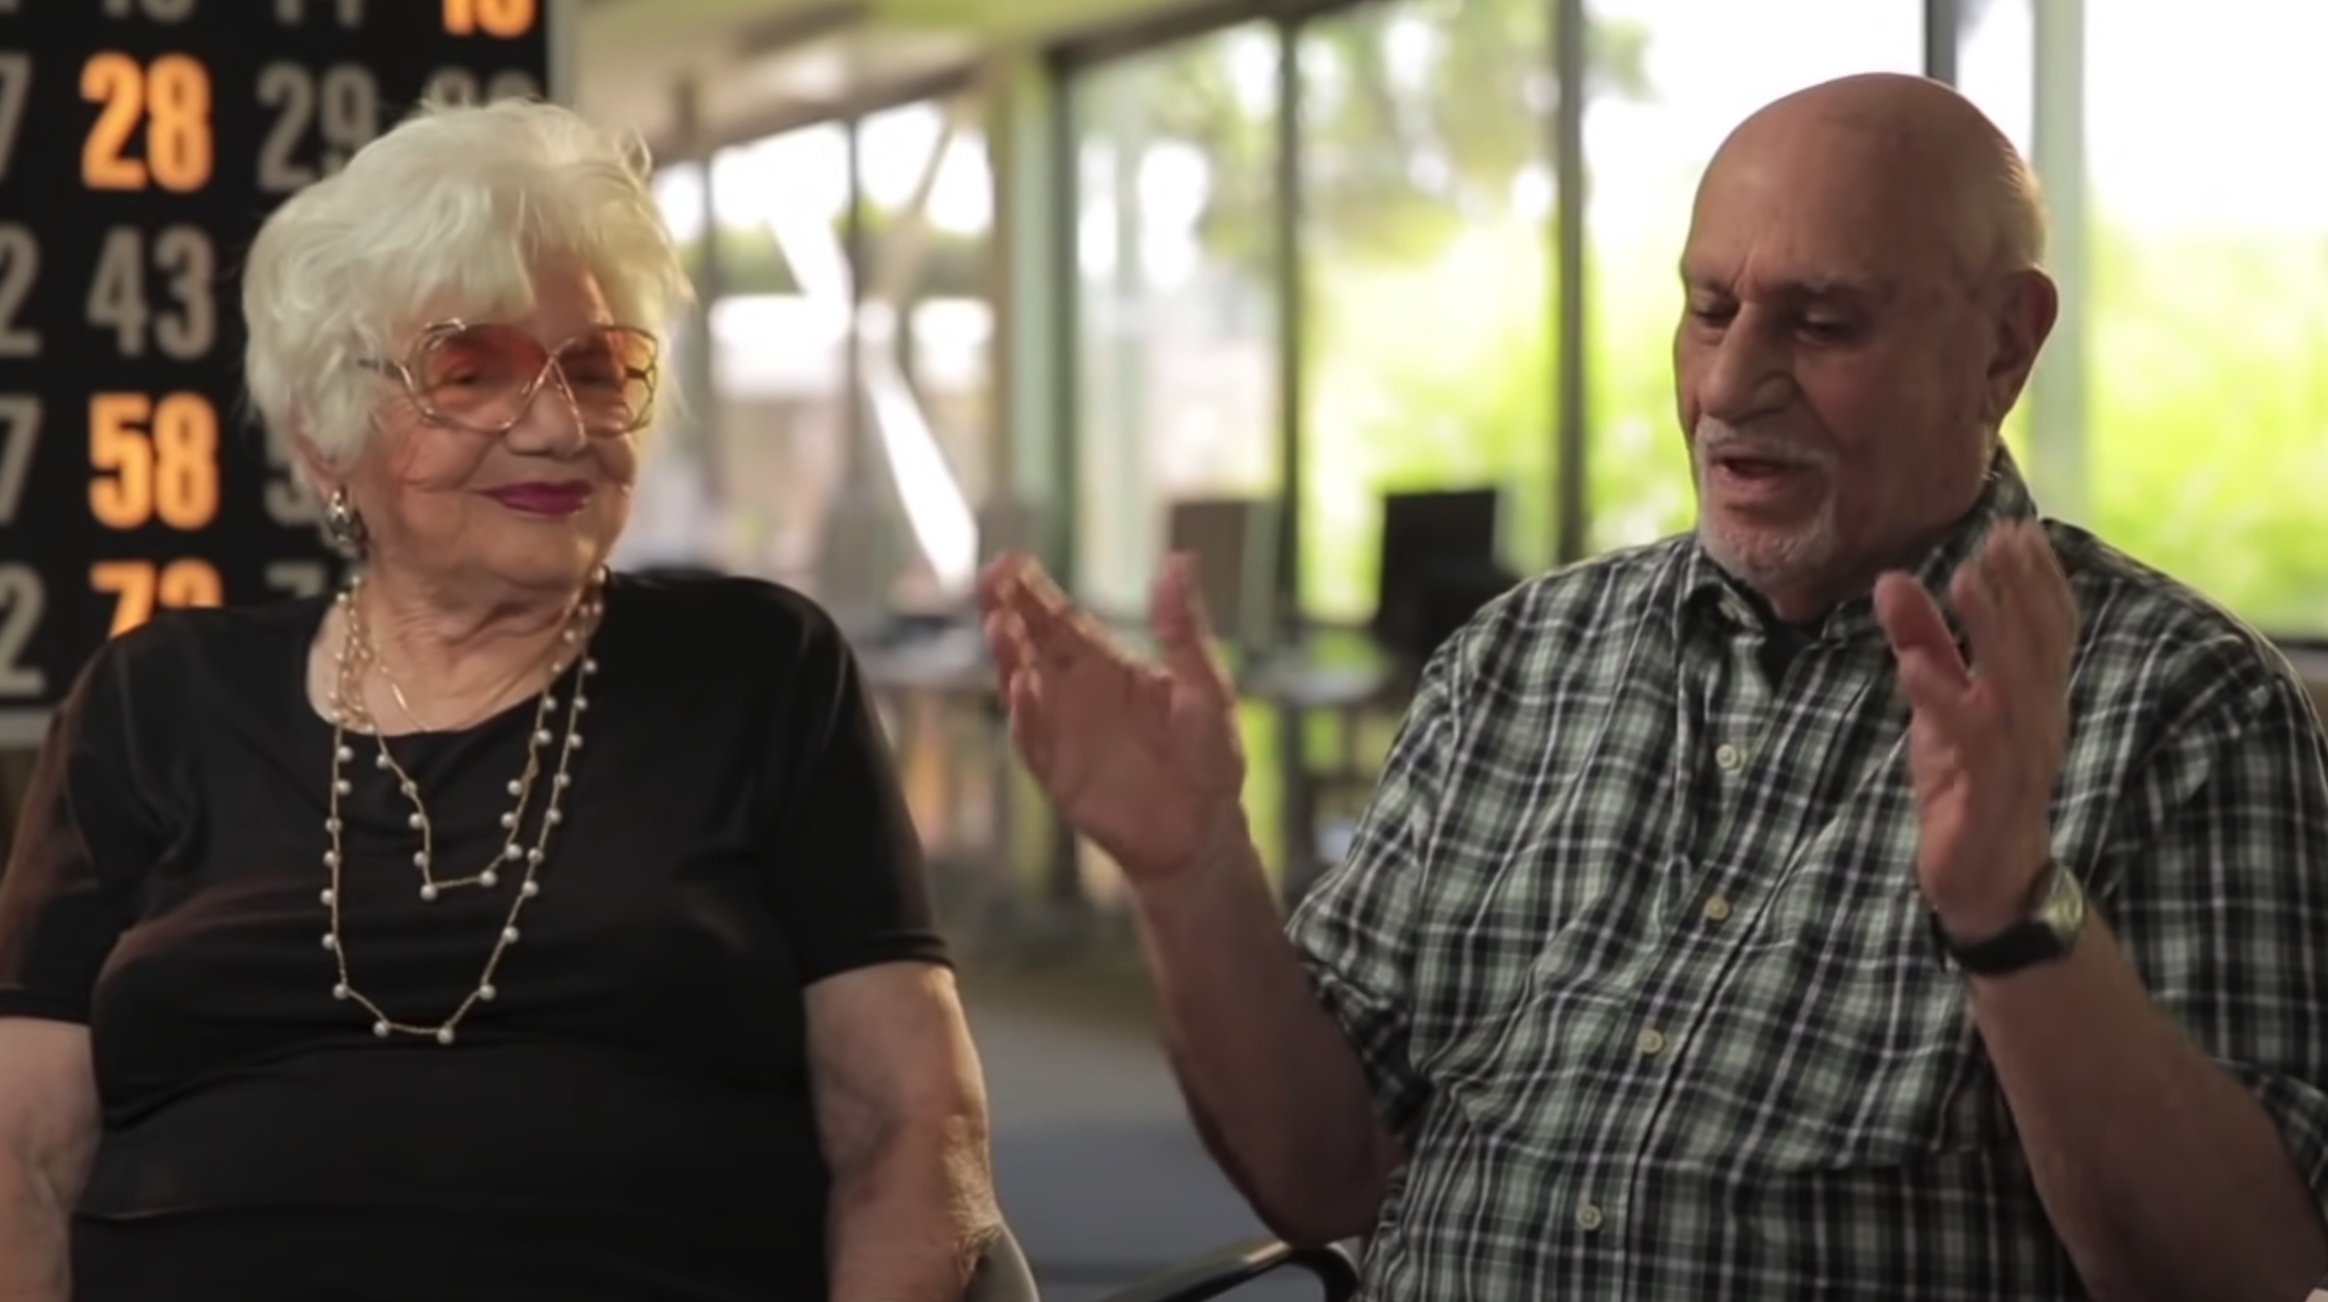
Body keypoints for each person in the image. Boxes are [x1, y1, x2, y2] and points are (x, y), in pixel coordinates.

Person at [979, 73, 2328, 1301]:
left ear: (2005, 346)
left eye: (1822, 321)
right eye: (1710, 310)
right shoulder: (1519, 663)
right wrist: (1192, 870)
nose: (1733, 385)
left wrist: (2015, 918)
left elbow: (2237, 1270)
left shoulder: (2184, 703)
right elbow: (1322, 1170)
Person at [0, 98, 1001, 1302]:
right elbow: (20, 1153)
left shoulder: (758, 672)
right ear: (326, 435)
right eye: (470, 370)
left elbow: (911, 1125)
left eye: (597, 367)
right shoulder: (152, 699)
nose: (557, 425)